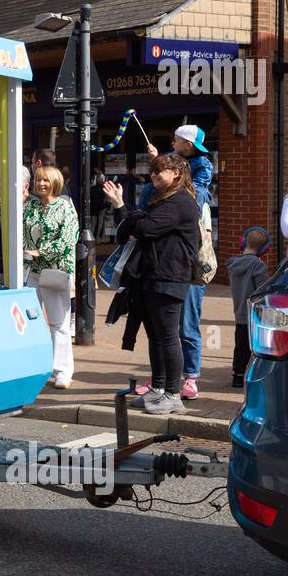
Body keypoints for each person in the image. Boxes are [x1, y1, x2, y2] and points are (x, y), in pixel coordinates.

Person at [103, 153, 200, 415]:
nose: (154, 175)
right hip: (149, 277)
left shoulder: (181, 202)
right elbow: (126, 232)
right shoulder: (160, 200)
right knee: (155, 337)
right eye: (153, 171)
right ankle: (158, 389)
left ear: (176, 174)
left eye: (161, 171)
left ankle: (173, 394)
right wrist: (121, 206)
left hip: (169, 278)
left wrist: (130, 215)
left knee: (168, 338)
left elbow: (144, 229)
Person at [141, 124, 214, 400]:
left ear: (188, 144)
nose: (173, 142)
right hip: (164, 266)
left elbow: (197, 196)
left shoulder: (201, 169)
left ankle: (189, 377)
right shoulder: (169, 173)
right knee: (164, 328)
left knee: (187, 323)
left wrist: (170, 175)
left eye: (177, 140)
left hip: (190, 263)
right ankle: (162, 379)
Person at [23, 165, 79, 388]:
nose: (41, 184)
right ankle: (38, 367)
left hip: (55, 272)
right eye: (38, 180)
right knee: (31, 322)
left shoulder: (65, 207)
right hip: (31, 272)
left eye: (46, 180)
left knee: (59, 323)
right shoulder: (30, 206)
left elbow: (69, 239)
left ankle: (63, 371)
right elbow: (2, 214)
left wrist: (41, 252)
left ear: (55, 182)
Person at [228, 227, 269, 389]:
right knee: (255, 347)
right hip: (254, 315)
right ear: (265, 249)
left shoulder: (232, 264)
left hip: (239, 312)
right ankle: (253, 374)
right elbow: (261, 291)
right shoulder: (258, 266)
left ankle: (237, 376)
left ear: (243, 243)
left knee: (240, 345)